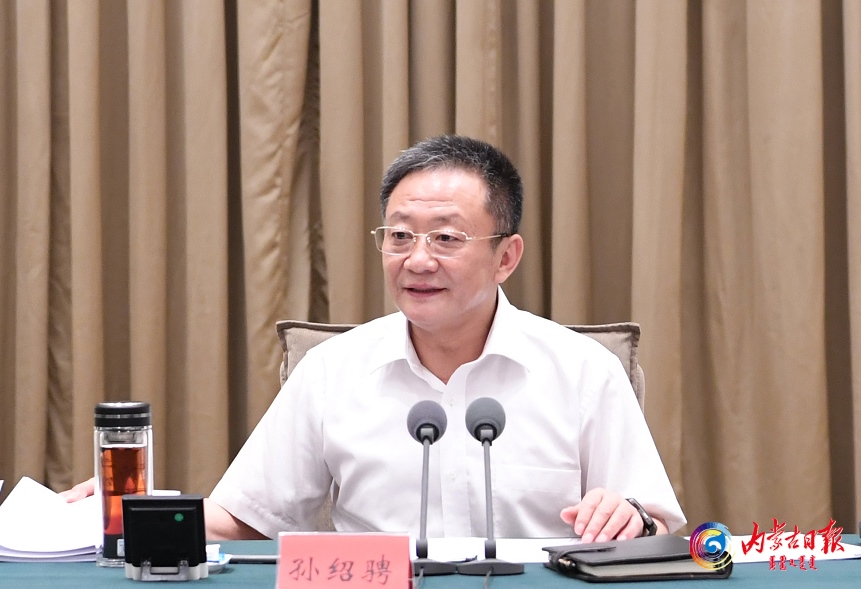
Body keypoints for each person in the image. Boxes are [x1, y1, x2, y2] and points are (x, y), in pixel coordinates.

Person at [65, 135, 685, 543]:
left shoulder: (582, 371)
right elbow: (249, 518)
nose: (417, 260)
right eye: (399, 236)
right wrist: (133, 513)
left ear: (506, 257)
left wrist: (630, 518)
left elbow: (658, 528)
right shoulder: (333, 370)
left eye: (446, 238)